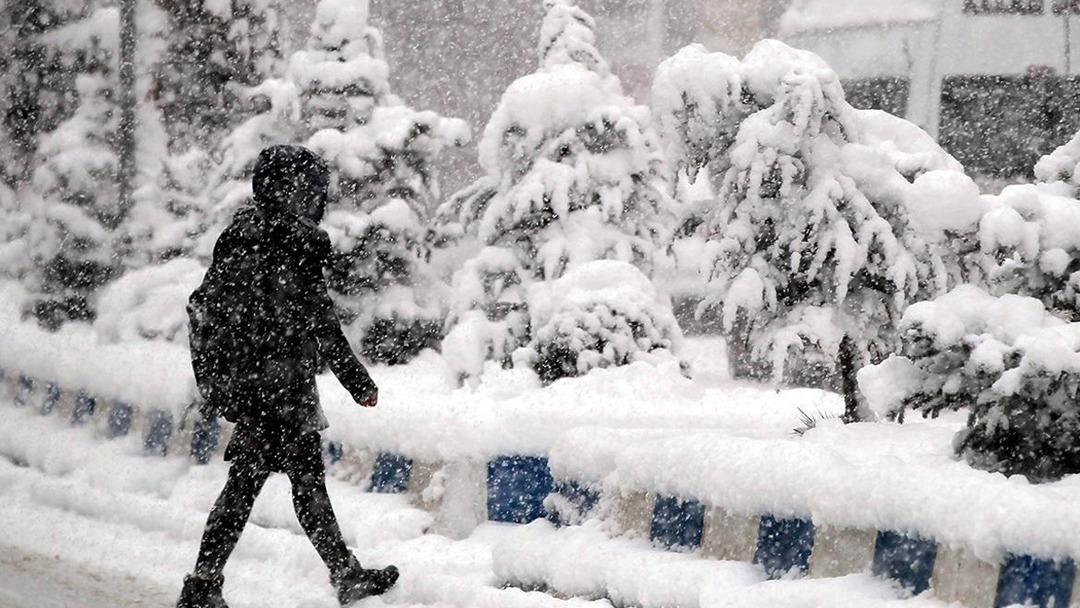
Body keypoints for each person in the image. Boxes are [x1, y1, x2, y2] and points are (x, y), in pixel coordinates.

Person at [178, 145, 399, 608]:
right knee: (275, 483)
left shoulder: (239, 235)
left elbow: (221, 308)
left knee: (273, 481)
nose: (318, 199)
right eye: (313, 190)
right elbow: (321, 321)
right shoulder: (294, 242)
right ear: (293, 191)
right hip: (279, 385)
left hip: (252, 382)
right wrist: (358, 382)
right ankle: (205, 585)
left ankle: (211, 582)